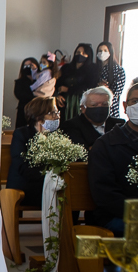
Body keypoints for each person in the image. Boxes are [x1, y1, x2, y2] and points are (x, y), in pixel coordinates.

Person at [88, 83, 138, 237]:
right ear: (125, 106)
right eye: (135, 101)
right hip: (116, 216)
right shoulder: (105, 145)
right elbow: (105, 194)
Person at [6, 97, 60, 207]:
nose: (57, 117)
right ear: (39, 116)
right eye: (52, 113)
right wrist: (47, 176)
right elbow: (21, 166)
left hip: (48, 184)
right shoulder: (21, 134)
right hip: (26, 185)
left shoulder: (56, 136)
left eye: (57, 113)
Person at [59, 86, 124, 150]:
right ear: (83, 108)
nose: (100, 108)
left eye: (105, 104)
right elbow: (82, 152)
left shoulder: (119, 124)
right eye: (94, 105)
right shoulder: (71, 126)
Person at [56, 43, 98, 121]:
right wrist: (58, 96)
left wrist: (68, 89)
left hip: (81, 103)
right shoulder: (66, 67)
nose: (80, 55)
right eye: (78, 52)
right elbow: (58, 83)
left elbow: (89, 87)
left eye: (84, 53)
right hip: (64, 103)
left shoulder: (93, 69)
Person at [95, 41, 126, 118]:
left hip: (110, 105)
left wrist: (105, 89)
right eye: (100, 51)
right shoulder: (94, 69)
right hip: (94, 104)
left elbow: (118, 91)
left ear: (110, 52)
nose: (102, 53)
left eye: (105, 50)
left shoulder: (119, 70)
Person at [14, 57, 39, 128]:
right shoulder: (19, 82)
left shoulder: (40, 81)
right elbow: (19, 95)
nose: (28, 68)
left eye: (30, 65)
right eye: (25, 66)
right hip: (23, 109)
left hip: (37, 109)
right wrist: (34, 97)